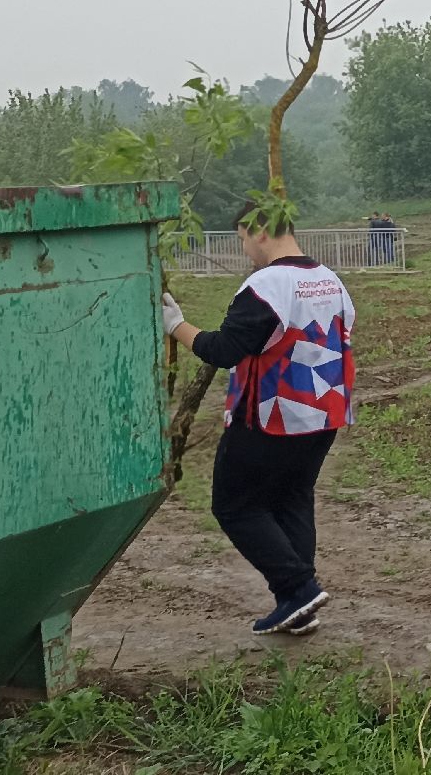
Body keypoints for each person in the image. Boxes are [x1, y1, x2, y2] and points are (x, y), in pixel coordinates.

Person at [161, 202, 357, 637]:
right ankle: (297, 604)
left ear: (259, 231)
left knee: (235, 505)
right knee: (292, 499)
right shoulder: (330, 280)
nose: (245, 249)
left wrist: (175, 324)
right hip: (324, 414)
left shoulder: (266, 285)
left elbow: (224, 350)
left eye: (243, 238)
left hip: (269, 416)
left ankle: (297, 588)